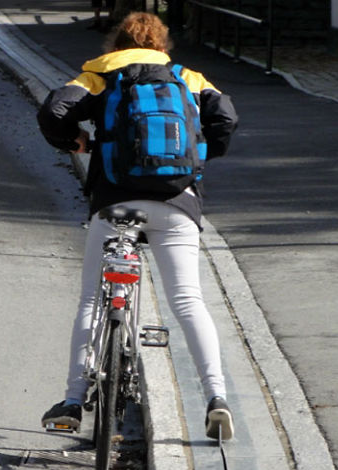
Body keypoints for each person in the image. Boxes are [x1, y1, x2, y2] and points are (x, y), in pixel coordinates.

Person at [37, 12, 239, 440]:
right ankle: (217, 399)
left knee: (92, 300)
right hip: (177, 202)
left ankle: (73, 400)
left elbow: (54, 110)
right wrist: (198, 157)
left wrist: (75, 141)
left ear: (118, 42)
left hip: (115, 201)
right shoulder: (189, 76)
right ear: (163, 44)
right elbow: (226, 120)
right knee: (187, 301)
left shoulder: (100, 73)